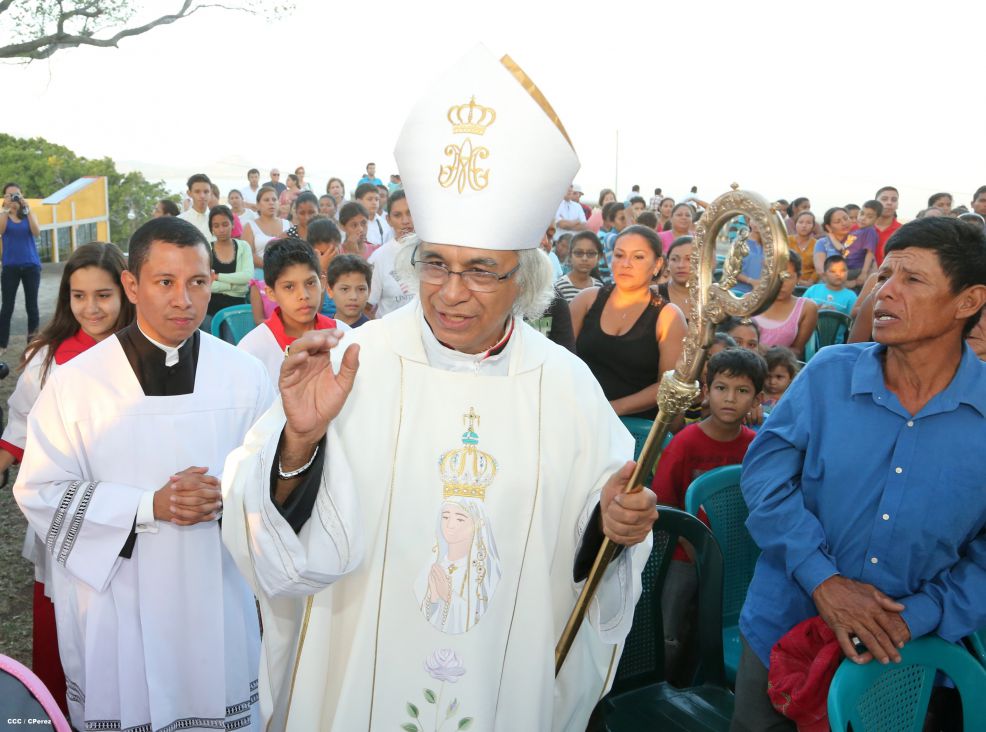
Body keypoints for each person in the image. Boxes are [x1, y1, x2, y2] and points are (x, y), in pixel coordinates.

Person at [221, 45, 656, 731]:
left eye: (481, 270)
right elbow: (258, 524)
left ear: (524, 279)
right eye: (435, 265)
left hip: (498, 680)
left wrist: (611, 524)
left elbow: (592, 552)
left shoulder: (567, 387)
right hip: (358, 668)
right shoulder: (351, 361)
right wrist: (298, 443)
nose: (452, 294)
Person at [14, 217, 273, 731]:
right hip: (119, 599)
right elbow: (41, 491)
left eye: (198, 282)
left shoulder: (245, 375)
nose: (184, 300)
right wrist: (146, 506)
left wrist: (235, 493)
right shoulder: (78, 384)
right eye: (165, 282)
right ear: (132, 285)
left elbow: (275, 480)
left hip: (215, 591)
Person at [732, 216, 986, 732]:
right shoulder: (828, 373)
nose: (884, 292)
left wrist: (911, 617)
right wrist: (823, 580)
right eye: (884, 276)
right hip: (784, 628)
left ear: (968, 301)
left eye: (911, 280)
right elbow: (764, 480)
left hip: (906, 659)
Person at [0, 242, 134, 715]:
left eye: (103, 295)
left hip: (130, 511)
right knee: (63, 619)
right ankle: (61, 712)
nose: (90, 308)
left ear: (127, 291)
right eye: (78, 296)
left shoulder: (141, 352)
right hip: (67, 512)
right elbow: (19, 426)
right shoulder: (49, 358)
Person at [652, 348, 764, 682]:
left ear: (757, 398)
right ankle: (664, 687)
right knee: (670, 628)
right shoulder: (685, 444)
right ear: (706, 390)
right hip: (683, 557)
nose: (730, 398)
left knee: (718, 624)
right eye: (721, 388)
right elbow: (664, 504)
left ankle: (706, 684)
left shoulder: (755, 446)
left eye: (742, 391)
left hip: (736, 559)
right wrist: (689, 546)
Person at [572, 224, 687, 419]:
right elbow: (560, 356)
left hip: (634, 426)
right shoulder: (586, 300)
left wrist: (612, 408)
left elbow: (667, 384)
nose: (626, 263)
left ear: (658, 264)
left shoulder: (668, 317)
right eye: (619, 255)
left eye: (638, 257)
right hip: (578, 413)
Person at [238, 238, 342, 386]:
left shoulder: (344, 334)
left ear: (323, 283)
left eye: (310, 283)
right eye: (289, 287)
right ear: (271, 293)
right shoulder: (251, 350)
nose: (303, 295)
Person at [0, 183, 42, 354]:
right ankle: (2, 344)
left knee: (32, 306)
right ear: (4, 198)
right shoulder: (3, 216)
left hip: (31, 266)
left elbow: (36, 231)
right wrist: (5, 209)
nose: (13, 198)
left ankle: (32, 343)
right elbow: (1, 230)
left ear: (22, 195)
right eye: (9, 195)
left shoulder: (28, 215)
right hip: (10, 267)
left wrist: (27, 208)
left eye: (16, 194)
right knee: (7, 306)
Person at [753, 251, 818, 359]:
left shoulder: (806, 308)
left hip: (778, 370)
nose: (781, 284)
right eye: (775, 276)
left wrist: (770, 353)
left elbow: (797, 351)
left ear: (798, 278)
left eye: (787, 277)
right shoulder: (750, 300)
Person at [368, 190, 416, 318]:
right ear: (388, 220)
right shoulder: (378, 258)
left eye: (410, 213)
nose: (405, 221)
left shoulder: (433, 253)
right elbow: (367, 306)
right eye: (397, 215)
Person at [206, 205, 253, 323]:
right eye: (216, 226)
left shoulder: (243, 246)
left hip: (237, 307)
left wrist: (217, 277)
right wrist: (231, 286)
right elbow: (204, 284)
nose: (221, 229)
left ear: (232, 224)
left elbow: (247, 277)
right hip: (210, 308)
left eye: (225, 224)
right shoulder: (206, 249)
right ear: (211, 228)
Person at [813, 206, 875, 289]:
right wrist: (847, 284)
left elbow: (873, 266)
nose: (844, 223)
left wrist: (861, 280)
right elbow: (821, 271)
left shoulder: (860, 238)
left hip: (859, 286)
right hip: (829, 287)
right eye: (837, 221)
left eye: (846, 219)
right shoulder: (822, 243)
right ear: (828, 227)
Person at [242, 185, 290, 270]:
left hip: (286, 273)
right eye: (266, 200)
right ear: (258, 205)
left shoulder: (288, 224)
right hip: (260, 276)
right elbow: (248, 254)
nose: (271, 202)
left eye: (274, 199)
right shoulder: (250, 226)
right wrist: (271, 267)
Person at [554, 231, 603, 302]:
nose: (584, 258)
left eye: (591, 253)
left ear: (599, 257)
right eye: (579, 253)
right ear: (570, 255)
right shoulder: (559, 287)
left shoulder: (599, 288)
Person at [325, 253, 371, 328]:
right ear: (330, 291)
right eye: (345, 289)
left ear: (369, 291)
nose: (353, 297)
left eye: (361, 289)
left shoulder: (375, 332)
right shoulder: (321, 329)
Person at [658, 236, 694, 319]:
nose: (681, 265)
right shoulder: (654, 295)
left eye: (689, 259)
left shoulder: (712, 297)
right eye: (674, 259)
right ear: (667, 262)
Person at [355, 182, 393, 252]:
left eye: (377, 199)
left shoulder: (385, 224)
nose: (374, 203)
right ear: (359, 201)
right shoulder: (351, 224)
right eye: (370, 199)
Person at [176, 173, 214, 242]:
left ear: (211, 192)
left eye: (206, 191)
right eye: (197, 192)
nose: (202, 195)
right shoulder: (180, 221)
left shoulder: (217, 219)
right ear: (189, 193)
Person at [761, 345, 798, 413]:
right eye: (768, 376)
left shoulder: (792, 396)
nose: (772, 382)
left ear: (791, 376)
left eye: (779, 377)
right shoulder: (759, 394)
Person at [787, 211, 818, 285]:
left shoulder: (817, 244)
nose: (804, 225)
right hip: (786, 282)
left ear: (813, 226)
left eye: (808, 223)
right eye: (800, 222)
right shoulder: (786, 241)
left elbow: (818, 267)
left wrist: (810, 282)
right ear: (795, 224)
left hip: (808, 285)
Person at [873, 185, 901, 264]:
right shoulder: (859, 228)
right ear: (875, 202)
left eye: (894, 200)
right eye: (884, 199)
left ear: (897, 204)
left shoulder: (903, 231)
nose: (889, 203)